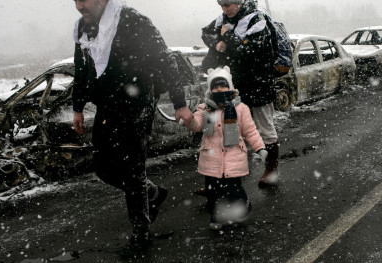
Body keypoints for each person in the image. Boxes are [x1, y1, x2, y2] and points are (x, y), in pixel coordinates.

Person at [71, 0, 193, 257]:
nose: (80, 5)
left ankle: (141, 234)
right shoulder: (83, 28)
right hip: (107, 105)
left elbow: (166, 60)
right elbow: (82, 68)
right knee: (103, 167)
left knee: (131, 167)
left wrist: (180, 104)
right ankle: (153, 193)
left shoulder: (132, 21)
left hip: (137, 103)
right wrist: (78, 106)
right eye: (75, 0)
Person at [201, 0, 280, 189]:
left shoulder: (257, 21)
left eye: (228, 5)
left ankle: (272, 170)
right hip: (231, 84)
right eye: (221, 5)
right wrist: (217, 42)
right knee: (223, 130)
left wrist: (227, 36)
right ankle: (220, 178)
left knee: (264, 128)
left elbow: (249, 52)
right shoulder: (222, 19)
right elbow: (205, 32)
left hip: (257, 84)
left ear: (240, 2)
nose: (224, 9)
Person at [183, 66, 267, 230]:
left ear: (230, 86)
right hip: (211, 159)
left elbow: (250, 131)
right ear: (210, 89)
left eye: (222, 85)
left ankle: (242, 208)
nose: (219, 89)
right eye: (215, 86)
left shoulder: (240, 108)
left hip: (234, 158)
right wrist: (189, 120)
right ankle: (216, 217)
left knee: (234, 191)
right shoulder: (205, 109)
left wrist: (259, 148)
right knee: (213, 193)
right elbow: (198, 125)